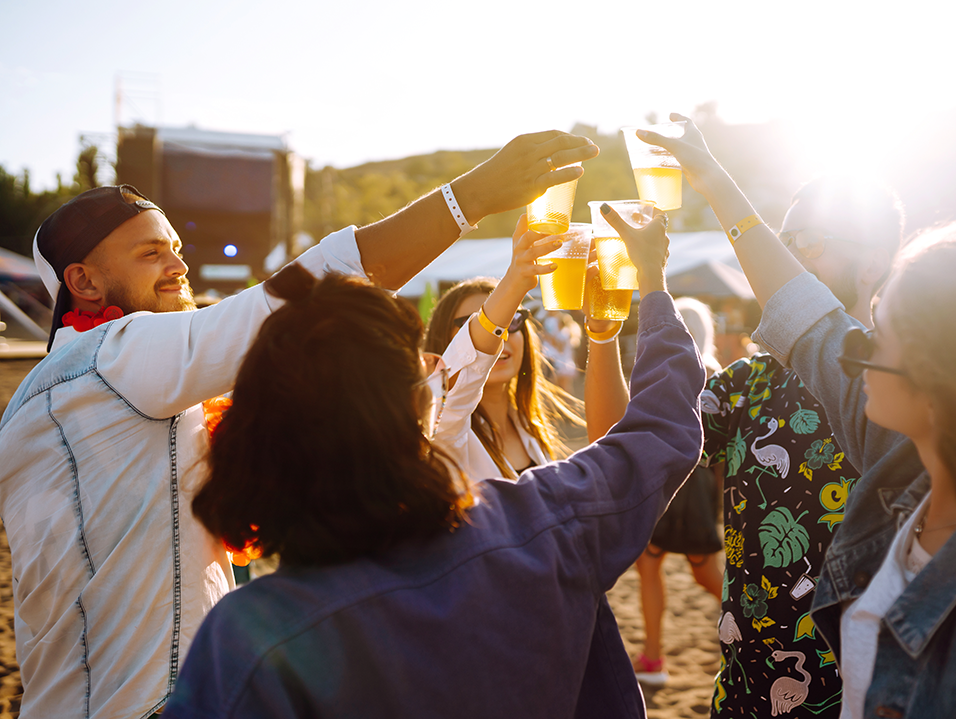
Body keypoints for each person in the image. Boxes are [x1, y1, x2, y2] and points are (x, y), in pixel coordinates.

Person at [0, 129, 598, 718]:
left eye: (177, 247)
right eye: (151, 252)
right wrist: (473, 195)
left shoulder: (84, 391)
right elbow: (307, 293)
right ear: (83, 282)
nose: (178, 265)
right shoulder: (111, 356)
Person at [644, 115, 956, 717]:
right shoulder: (905, 472)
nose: (855, 349)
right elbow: (807, 321)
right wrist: (714, 186)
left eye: (880, 333)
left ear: (944, 378)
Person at [160, 206, 706, 718]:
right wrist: (653, 280)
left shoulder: (246, 640)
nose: (431, 362)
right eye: (412, 359)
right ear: (404, 409)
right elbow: (662, 428)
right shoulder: (542, 523)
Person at [699, 178, 904, 714]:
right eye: (782, 240)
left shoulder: (901, 386)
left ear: (871, 263)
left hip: (853, 690)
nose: (785, 257)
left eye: (807, 241)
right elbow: (628, 447)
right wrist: (607, 333)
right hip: (743, 686)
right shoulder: (747, 381)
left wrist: (714, 180)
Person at [423, 216, 588, 481]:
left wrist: (602, 331)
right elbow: (462, 377)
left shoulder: (530, 424)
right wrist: (515, 280)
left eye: (511, 321)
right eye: (471, 324)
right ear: (447, 341)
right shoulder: (443, 428)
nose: (500, 336)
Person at [630, 297, 724, 687]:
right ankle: (652, 656)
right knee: (678, 569)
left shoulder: (663, 372)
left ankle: (653, 657)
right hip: (697, 486)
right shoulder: (717, 375)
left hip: (669, 479)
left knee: (691, 572)